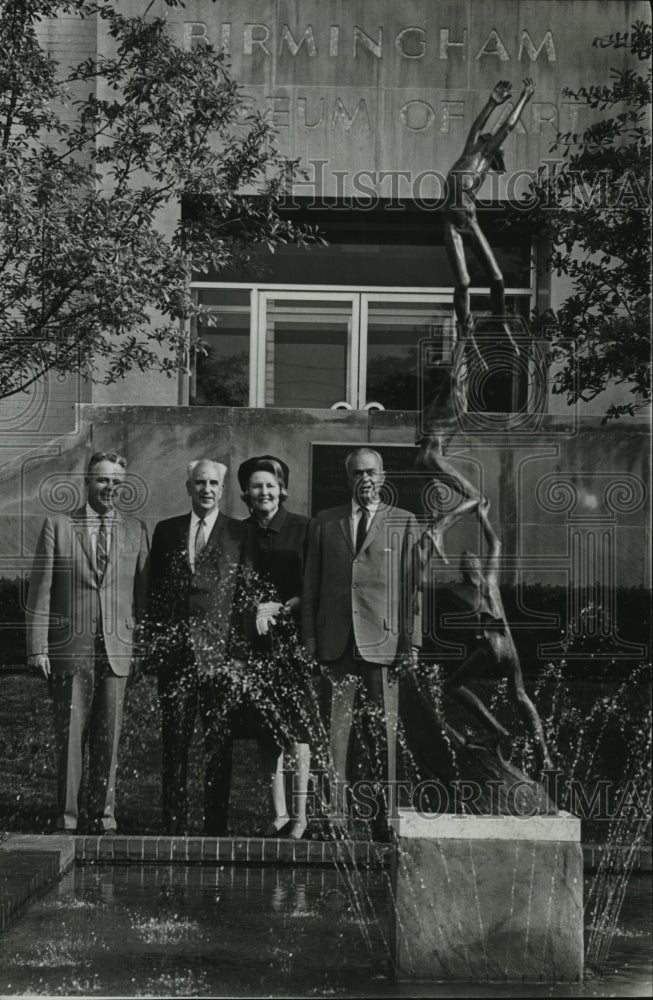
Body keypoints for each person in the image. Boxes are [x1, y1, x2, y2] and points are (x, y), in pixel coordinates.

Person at [26, 451, 149, 834]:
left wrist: (141, 648)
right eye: (102, 480)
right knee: (71, 738)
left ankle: (104, 817)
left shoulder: (136, 530)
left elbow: (141, 598)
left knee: (108, 740)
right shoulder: (58, 526)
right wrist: (37, 646)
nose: (109, 487)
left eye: (116, 481)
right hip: (70, 649)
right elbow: (40, 591)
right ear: (87, 482)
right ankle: (68, 819)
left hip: (117, 650)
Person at [302, 447, 421, 839]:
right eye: (357, 473)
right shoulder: (324, 522)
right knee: (334, 735)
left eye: (371, 472)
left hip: (383, 642)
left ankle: (383, 820)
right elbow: (311, 585)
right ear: (348, 478)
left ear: (383, 476)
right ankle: (331, 820)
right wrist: (309, 640)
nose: (364, 479)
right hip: (335, 641)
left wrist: (412, 645)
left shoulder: (404, 523)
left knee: (381, 734)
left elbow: (412, 590)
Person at [146, 459, 252, 836]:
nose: (206, 489)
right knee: (174, 743)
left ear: (222, 490)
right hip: (176, 657)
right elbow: (155, 591)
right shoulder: (166, 531)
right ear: (187, 487)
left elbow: (245, 598)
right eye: (199, 483)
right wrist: (154, 644)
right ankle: (172, 825)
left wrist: (237, 657)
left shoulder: (239, 533)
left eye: (213, 484)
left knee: (218, 746)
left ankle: (215, 828)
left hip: (220, 658)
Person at [443, 498, 553, 772]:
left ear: (464, 571)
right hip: (509, 647)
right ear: (479, 568)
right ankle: (545, 757)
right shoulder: (491, 579)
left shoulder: (458, 591)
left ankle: (496, 730)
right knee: (520, 694)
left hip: (489, 646)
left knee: (452, 686)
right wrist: (483, 517)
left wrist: (432, 539)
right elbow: (497, 545)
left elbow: (421, 582)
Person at [238, 454, 314, 840]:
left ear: (282, 489)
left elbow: (313, 585)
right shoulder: (237, 532)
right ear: (245, 493)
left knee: (298, 732)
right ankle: (279, 814)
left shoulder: (304, 528)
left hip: (294, 645)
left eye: (270, 484)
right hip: (255, 648)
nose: (263, 491)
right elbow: (233, 586)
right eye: (256, 486)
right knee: (267, 729)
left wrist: (286, 607)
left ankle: (301, 816)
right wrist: (253, 609)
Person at [443, 78, 535, 335]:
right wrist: (492, 102)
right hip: (452, 224)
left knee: (497, 278)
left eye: (491, 141)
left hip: (469, 224)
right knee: (462, 282)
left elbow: (507, 126)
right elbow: (478, 125)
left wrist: (524, 98)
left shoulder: (483, 158)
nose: (487, 137)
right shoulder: (469, 150)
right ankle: (465, 327)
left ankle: (500, 321)